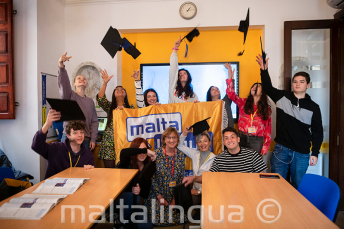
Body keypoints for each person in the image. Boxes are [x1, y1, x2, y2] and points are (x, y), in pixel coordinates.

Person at [256, 55, 323, 188]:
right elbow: (268, 88)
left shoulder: (314, 107)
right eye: (295, 81)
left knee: (298, 186)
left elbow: (317, 132)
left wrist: (315, 152)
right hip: (281, 149)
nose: (297, 83)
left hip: (302, 153)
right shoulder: (282, 97)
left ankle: (296, 210)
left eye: (301, 81)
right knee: (276, 186)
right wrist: (264, 70)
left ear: (308, 85)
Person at [183, 127, 267, 186]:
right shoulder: (219, 158)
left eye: (232, 137)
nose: (229, 140)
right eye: (226, 138)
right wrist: (193, 178)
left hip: (249, 193)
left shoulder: (252, 155)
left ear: (238, 139)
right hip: (227, 195)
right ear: (223, 142)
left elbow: (262, 177)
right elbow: (209, 177)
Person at [31, 109, 95, 179]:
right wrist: (47, 124)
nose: (80, 135)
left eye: (81, 132)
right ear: (68, 136)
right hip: (53, 187)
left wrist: (90, 169)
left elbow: (90, 177)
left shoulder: (88, 154)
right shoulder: (55, 148)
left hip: (77, 187)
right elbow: (36, 146)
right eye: (75, 133)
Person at [144, 127, 187, 227]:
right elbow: (152, 179)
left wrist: (175, 199)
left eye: (174, 137)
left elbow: (180, 178)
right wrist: (159, 197)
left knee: (182, 218)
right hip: (157, 193)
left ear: (177, 140)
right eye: (168, 137)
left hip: (173, 194)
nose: (171, 140)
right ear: (164, 139)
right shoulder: (156, 154)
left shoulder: (180, 155)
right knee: (158, 220)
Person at [225, 63, 271, 156]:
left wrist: (265, 148)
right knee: (240, 163)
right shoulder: (243, 102)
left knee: (254, 165)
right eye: (253, 86)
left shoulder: (266, 108)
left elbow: (268, 129)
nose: (255, 87)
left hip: (257, 140)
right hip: (241, 137)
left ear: (262, 93)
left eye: (258, 87)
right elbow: (230, 94)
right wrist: (230, 77)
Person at [58, 52, 98, 150]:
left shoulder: (90, 101)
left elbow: (94, 122)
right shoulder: (69, 95)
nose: (82, 80)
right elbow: (63, 84)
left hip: (85, 139)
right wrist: (61, 66)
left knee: (84, 164)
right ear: (74, 84)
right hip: (69, 137)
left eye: (84, 79)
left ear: (87, 84)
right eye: (79, 78)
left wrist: (93, 139)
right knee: (67, 163)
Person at [115, 137, 156, 229]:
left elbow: (145, 194)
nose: (142, 154)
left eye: (144, 151)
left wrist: (140, 190)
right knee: (134, 198)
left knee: (147, 226)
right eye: (139, 150)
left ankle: (123, 224)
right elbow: (123, 152)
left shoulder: (148, 166)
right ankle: (120, 221)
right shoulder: (126, 162)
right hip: (122, 202)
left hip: (136, 206)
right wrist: (146, 150)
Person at [178, 126, 215, 218]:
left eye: (205, 141)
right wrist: (185, 133)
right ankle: (198, 211)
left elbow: (213, 181)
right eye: (200, 141)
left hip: (208, 192)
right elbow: (179, 145)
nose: (203, 144)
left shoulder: (215, 159)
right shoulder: (195, 154)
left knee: (207, 216)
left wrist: (199, 192)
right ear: (197, 144)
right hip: (195, 190)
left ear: (210, 143)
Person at [97, 69, 130, 168]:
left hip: (125, 143)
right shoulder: (110, 107)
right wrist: (105, 83)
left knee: (125, 173)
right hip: (109, 143)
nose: (120, 90)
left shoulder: (131, 109)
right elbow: (100, 98)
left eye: (122, 89)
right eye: (117, 89)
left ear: (125, 94)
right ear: (114, 94)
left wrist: (124, 111)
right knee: (110, 173)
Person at [169, 37, 199, 103]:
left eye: (184, 73)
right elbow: (173, 67)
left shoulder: (192, 95)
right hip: (174, 113)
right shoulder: (173, 88)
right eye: (179, 74)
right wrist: (175, 48)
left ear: (188, 77)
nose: (182, 75)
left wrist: (197, 104)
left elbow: (197, 110)